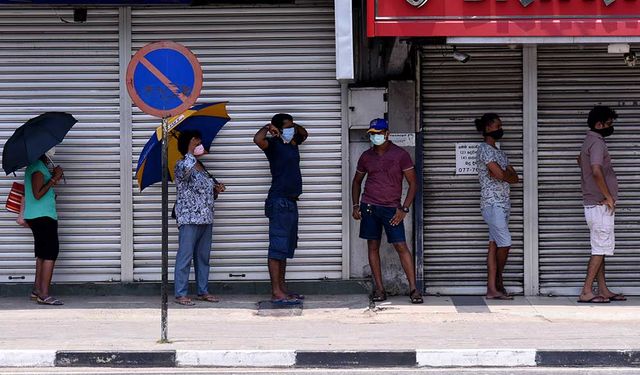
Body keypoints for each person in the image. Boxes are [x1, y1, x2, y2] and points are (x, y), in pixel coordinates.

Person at [351, 118, 423, 304]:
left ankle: (414, 289)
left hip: (392, 209)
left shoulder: (400, 155)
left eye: (378, 134)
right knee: (372, 246)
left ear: (387, 134)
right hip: (369, 207)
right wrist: (356, 205)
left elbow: (413, 182)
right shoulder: (366, 156)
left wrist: (404, 208)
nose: (375, 137)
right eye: (372, 134)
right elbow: (357, 181)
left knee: (400, 246)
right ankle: (380, 290)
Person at [254, 113, 308, 305]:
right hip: (279, 201)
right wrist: (268, 128)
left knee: (285, 248)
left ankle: (283, 288)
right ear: (278, 128)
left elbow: (305, 133)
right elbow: (257, 139)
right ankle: (276, 291)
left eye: (292, 127)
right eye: (287, 127)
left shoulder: (293, 143)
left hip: (291, 202)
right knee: (277, 248)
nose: (291, 130)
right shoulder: (273, 145)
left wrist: (292, 127)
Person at [577, 106, 626, 303]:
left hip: (593, 204)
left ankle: (602, 289)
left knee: (601, 248)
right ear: (599, 124)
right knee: (599, 248)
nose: (610, 127)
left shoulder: (589, 141)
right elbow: (596, 170)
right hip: (599, 205)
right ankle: (586, 291)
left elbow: (580, 161)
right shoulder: (597, 143)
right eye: (609, 124)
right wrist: (609, 197)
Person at [173, 130, 225, 306]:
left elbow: (206, 193)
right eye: (197, 142)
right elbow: (185, 177)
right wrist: (189, 151)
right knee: (185, 256)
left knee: (203, 257)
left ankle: (203, 291)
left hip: (206, 217)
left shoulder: (202, 167)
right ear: (190, 143)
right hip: (189, 218)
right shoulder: (182, 165)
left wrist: (215, 190)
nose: (201, 145)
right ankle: (181, 293)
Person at [475, 113, 519, 300]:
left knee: (494, 245)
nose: (501, 129)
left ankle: (492, 289)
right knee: (505, 242)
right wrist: (503, 174)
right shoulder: (484, 149)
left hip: (503, 203)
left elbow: (514, 178)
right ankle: (498, 279)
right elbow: (502, 175)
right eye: (497, 126)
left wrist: (503, 174)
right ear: (487, 129)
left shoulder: (500, 153)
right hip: (492, 204)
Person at [24, 147, 64, 305]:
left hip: (38, 216)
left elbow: (42, 191)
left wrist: (53, 180)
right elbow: (37, 193)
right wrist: (54, 178)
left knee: (42, 253)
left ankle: (36, 289)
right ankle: (44, 294)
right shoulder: (38, 168)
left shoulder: (35, 166)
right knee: (50, 253)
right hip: (43, 217)